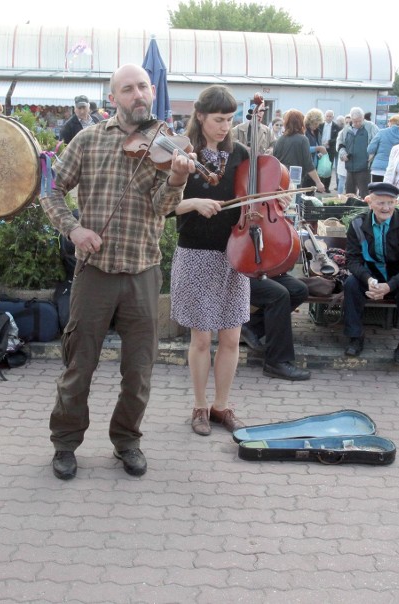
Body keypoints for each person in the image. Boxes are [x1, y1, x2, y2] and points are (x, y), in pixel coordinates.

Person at [40, 64, 191, 481]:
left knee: (139, 370)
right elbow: (50, 188)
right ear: (113, 99)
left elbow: (163, 206)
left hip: (143, 271)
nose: (138, 94)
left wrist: (177, 180)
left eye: (143, 86)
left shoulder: (167, 144)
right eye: (128, 89)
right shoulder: (88, 140)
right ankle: (65, 443)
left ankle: (127, 441)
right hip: (95, 272)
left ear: (152, 90)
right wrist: (74, 227)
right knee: (79, 365)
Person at [168, 85, 250, 436]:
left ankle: (222, 406)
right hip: (196, 253)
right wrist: (193, 204)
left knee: (231, 338)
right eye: (219, 119)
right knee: (201, 340)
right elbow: (164, 204)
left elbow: (250, 200)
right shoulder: (182, 153)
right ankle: (200, 406)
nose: (225, 127)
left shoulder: (241, 153)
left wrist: (255, 214)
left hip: (234, 253)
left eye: (230, 120)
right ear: (199, 116)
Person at [342, 182, 399, 365]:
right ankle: (355, 337)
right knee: (351, 284)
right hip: (373, 274)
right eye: (380, 203)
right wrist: (368, 278)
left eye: (390, 202)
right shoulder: (357, 224)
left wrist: (390, 285)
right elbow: (352, 260)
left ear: (396, 203)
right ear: (370, 202)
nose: (386, 208)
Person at [241, 274, 311, 381]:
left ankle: (251, 327)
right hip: (235, 273)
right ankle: (276, 362)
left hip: (258, 271)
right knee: (278, 294)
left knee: (299, 290)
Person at [272, 109, 325, 193]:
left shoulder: (280, 139)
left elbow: (275, 161)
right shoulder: (303, 139)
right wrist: (318, 182)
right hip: (295, 181)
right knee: (295, 204)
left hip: (281, 180)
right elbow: (308, 164)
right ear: (300, 122)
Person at [337, 107, 376, 198]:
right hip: (349, 168)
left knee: (365, 195)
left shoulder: (371, 127)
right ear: (351, 119)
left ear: (363, 118)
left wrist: (372, 154)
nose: (357, 123)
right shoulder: (346, 129)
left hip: (364, 168)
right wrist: (343, 154)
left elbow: (377, 142)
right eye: (355, 121)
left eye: (360, 121)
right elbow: (340, 144)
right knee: (349, 195)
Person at [367, 114, 399, 183]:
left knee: (376, 192)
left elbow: (370, 149)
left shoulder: (382, 132)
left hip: (378, 168)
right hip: (395, 169)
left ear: (390, 122)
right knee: (390, 193)